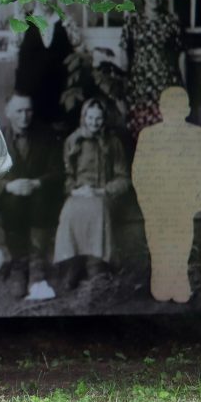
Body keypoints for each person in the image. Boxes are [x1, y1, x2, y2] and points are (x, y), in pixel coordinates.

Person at [132, 86, 201, 303]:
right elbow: (139, 173)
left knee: (180, 242)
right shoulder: (149, 136)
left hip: (184, 201)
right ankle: (161, 280)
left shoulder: (199, 136)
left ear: (187, 110)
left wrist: (200, 198)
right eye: (169, 108)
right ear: (161, 110)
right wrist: (148, 202)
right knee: (159, 242)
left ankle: (179, 279)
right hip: (156, 202)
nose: (174, 113)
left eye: (179, 108)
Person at [0, 92, 64, 301]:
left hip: (40, 199)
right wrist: (8, 186)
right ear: (8, 112)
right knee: (13, 204)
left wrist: (37, 183)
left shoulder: (47, 136)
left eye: (28, 110)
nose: (24, 116)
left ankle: (37, 270)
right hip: (11, 201)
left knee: (39, 200)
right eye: (19, 111)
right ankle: (19, 267)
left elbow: (59, 172)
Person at [53, 98, 130, 290]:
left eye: (98, 118)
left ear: (104, 119)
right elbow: (67, 175)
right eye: (90, 117)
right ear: (84, 117)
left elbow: (123, 178)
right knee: (69, 213)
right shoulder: (73, 140)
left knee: (98, 210)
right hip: (80, 193)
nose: (94, 123)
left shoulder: (113, 143)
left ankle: (96, 263)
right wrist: (75, 190)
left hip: (103, 193)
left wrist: (104, 190)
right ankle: (74, 262)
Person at [120, 0, 184, 140]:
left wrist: (183, 83)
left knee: (165, 122)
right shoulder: (132, 20)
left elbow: (180, 54)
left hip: (165, 81)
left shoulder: (171, 21)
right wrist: (125, 79)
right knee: (141, 124)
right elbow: (123, 49)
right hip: (140, 82)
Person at [14, 0, 75, 133]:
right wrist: (20, 91)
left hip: (58, 89)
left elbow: (76, 49)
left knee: (56, 133)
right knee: (34, 131)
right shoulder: (25, 19)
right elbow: (18, 55)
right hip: (32, 90)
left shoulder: (64, 20)